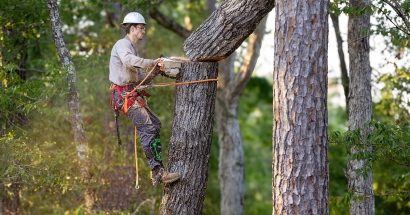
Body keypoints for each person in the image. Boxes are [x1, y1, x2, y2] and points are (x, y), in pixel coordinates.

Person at [109, 12, 180, 187]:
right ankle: (157, 172)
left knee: (155, 124)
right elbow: (128, 61)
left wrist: (156, 70)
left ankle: (158, 170)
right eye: (141, 28)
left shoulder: (133, 49)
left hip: (131, 94)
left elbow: (141, 77)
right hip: (124, 95)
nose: (143, 31)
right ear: (132, 28)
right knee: (148, 127)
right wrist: (153, 62)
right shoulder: (122, 45)